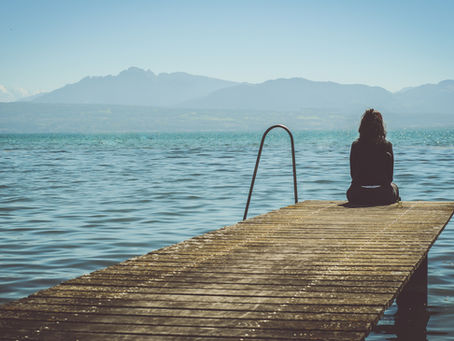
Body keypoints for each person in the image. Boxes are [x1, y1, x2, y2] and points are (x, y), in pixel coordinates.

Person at [346, 108, 400, 205]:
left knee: (351, 191)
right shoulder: (387, 145)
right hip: (383, 194)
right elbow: (390, 178)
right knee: (395, 187)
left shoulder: (356, 146)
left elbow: (353, 175)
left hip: (358, 194)